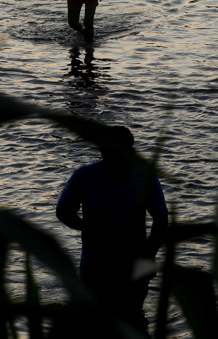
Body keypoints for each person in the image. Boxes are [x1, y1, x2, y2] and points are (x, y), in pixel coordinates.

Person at [56, 126, 168, 334]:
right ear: (101, 151)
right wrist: (86, 227)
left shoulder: (144, 177)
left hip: (134, 266)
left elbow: (161, 218)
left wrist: (150, 255)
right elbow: (63, 211)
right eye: (109, 151)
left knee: (132, 320)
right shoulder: (85, 176)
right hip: (95, 267)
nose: (114, 157)